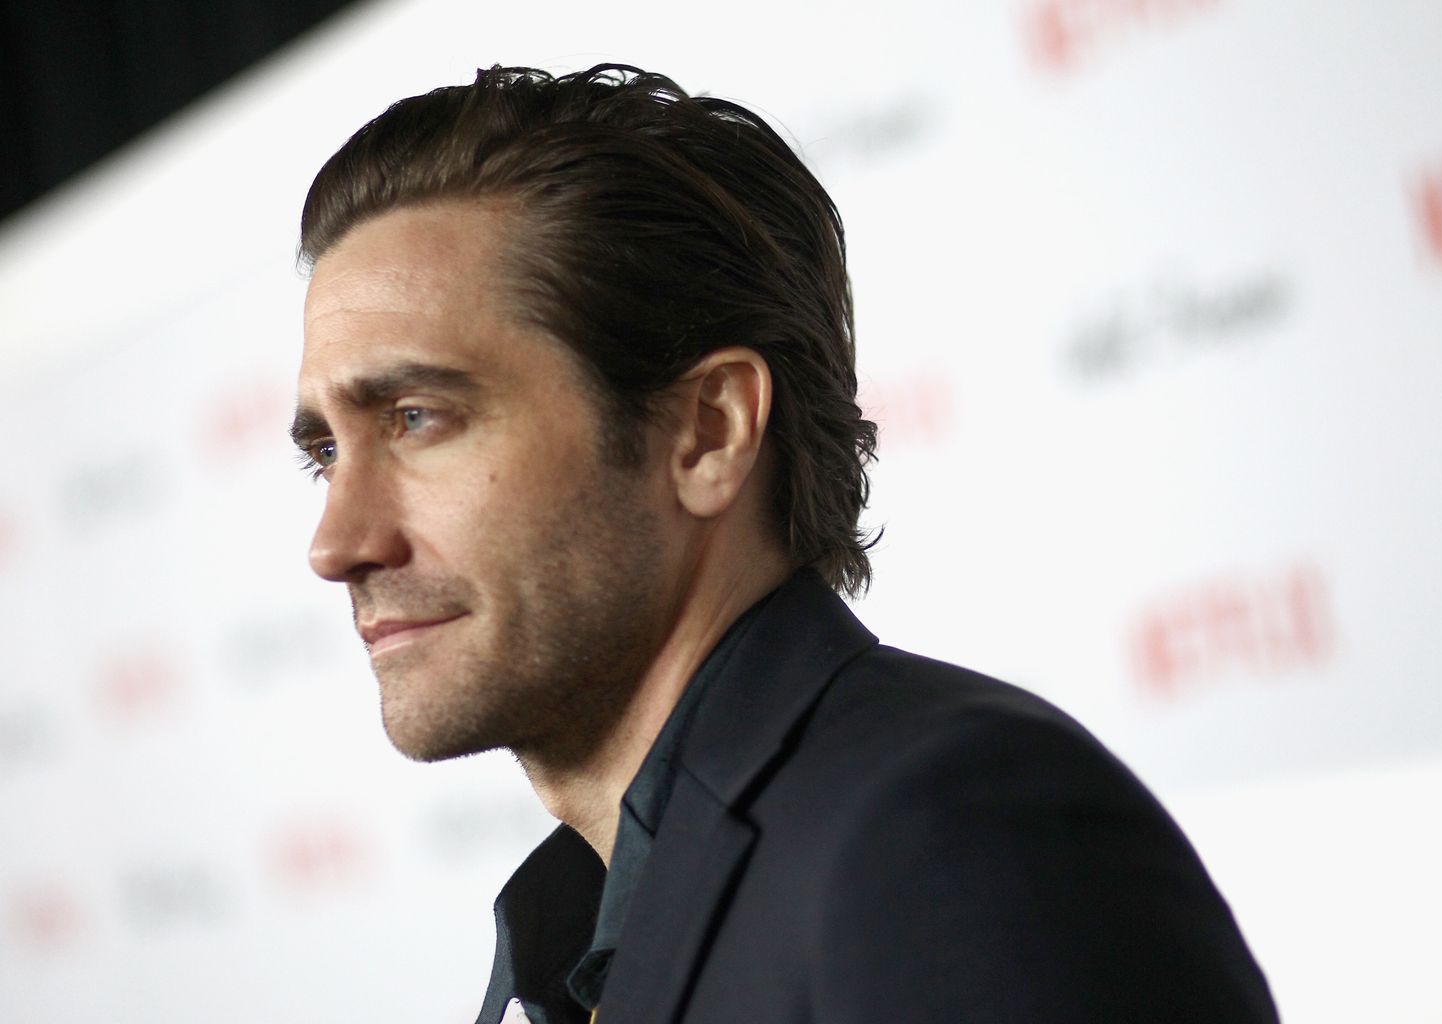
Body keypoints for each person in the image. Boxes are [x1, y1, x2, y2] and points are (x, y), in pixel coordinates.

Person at [291, 64, 1280, 1024]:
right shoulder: (584, 930)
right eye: (326, 452)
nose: (336, 543)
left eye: (416, 418)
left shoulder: (954, 836)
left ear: (708, 433)